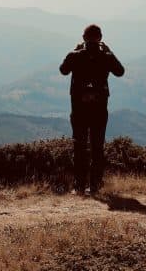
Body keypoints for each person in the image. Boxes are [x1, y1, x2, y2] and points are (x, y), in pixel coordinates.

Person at [59, 24, 124, 195]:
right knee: (97, 146)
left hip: (79, 108)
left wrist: (74, 50)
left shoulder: (75, 56)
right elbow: (120, 72)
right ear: (100, 38)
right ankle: (95, 185)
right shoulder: (106, 56)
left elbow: (63, 70)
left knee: (79, 146)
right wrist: (110, 51)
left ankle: (79, 186)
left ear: (83, 37)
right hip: (99, 108)